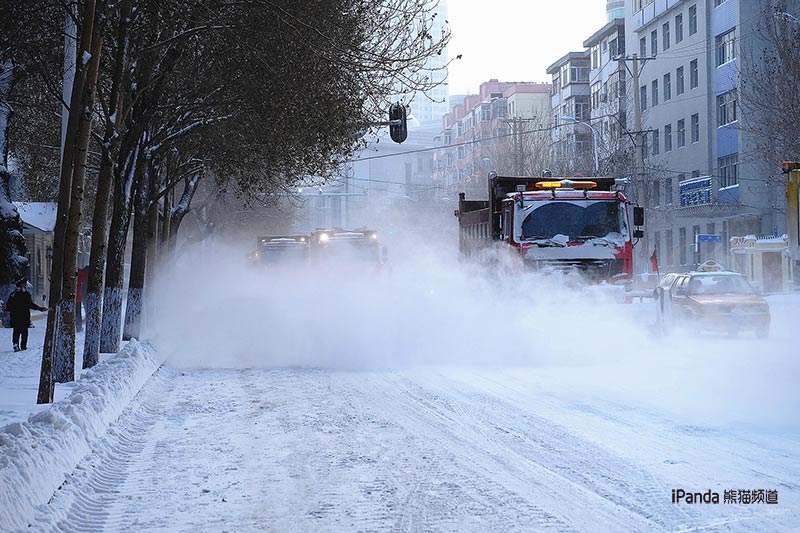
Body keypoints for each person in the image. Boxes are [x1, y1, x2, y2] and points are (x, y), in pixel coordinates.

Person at [3, 278, 47, 352]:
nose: (25, 285)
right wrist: (39, 308)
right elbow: (30, 305)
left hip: (16, 317)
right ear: (21, 284)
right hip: (23, 317)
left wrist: (8, 310)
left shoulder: (13, 295)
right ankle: (23, 346)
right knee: (24, 332)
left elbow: (8, 307)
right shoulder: (26, 294)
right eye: (24, 284)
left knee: (17, 331)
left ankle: (16, 344)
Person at [76, 266, 88, 332]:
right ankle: (78, 326)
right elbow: (85, 276)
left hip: (68, 296)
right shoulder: (80, 274)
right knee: (78, 312)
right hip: (78, 296)